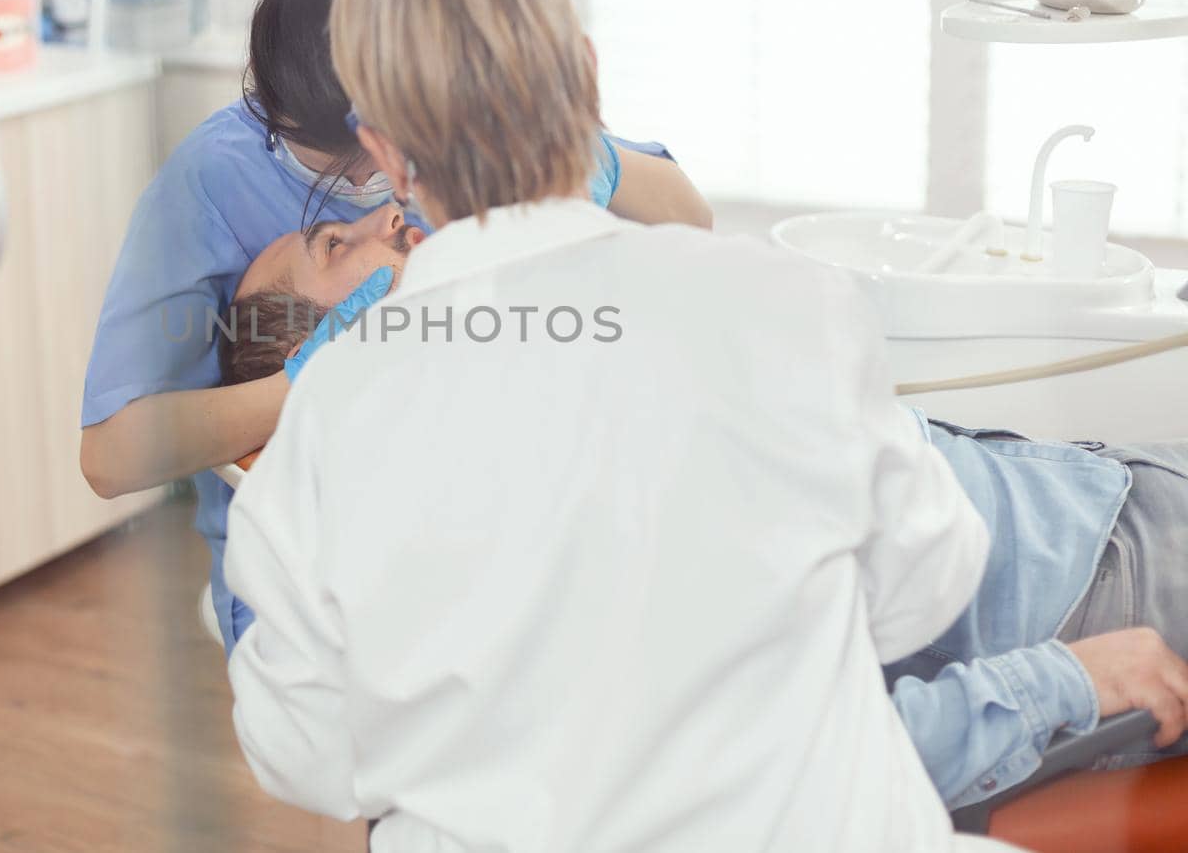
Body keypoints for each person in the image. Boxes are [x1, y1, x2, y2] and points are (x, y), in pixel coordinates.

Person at [223, 0, 1015, 852]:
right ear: (588, 78)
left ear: (385, 153)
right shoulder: (785, 302)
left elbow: (303, 750)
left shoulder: (329, 420)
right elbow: (931, 582)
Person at [220, 216, 1188, 811]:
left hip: (1086, 500)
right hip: (1095, 595)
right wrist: (1060, 680)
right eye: (333, 247)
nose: (380, 213)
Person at [80, 0, 711, 650]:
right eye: (331, 172)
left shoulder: (451, 125)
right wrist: (312, 380)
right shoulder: (209, 182)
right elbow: (111, 455)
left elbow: (689, 219)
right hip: (314, 548)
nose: (381, 197)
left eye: (385, 158)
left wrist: (589, 158)